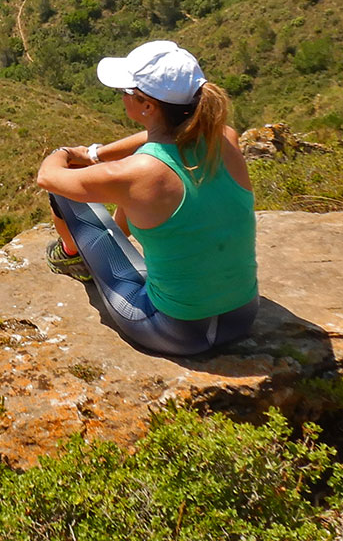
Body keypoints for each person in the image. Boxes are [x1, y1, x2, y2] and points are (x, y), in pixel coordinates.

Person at [34, 40, 258, 356]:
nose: (122, 98)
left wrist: (65, 153)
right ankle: (98, 246)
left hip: (173, 330)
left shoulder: (141, 172)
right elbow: (165, 136)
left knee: (67, 195)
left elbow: (49, 177)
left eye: (125, 92)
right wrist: (97, 154)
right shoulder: (225, 137)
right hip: (242, 318)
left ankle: (72, 257)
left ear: (147, 106)